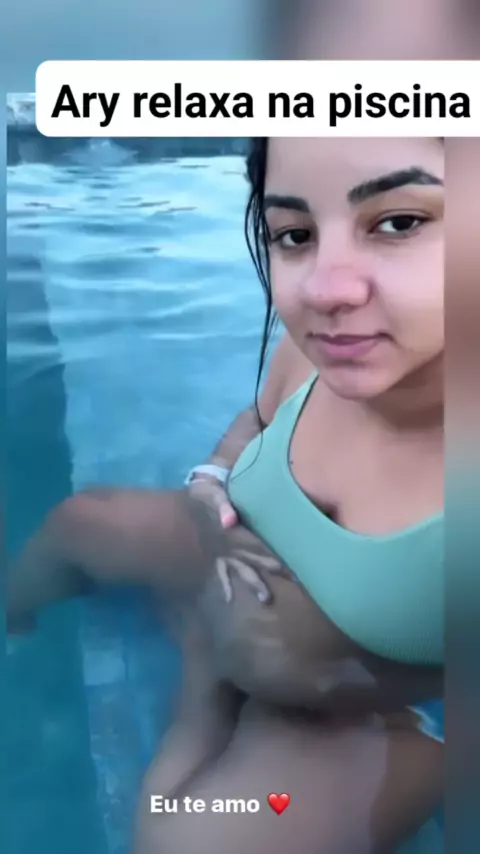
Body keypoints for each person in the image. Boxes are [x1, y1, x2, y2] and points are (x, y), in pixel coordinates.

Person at [7, 136, 444, 854]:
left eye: (399, 222)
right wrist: (212, 480)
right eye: (295, 234)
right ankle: (15, 635)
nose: (325, 288)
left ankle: (420, 758)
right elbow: (257, 421)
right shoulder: (329, 349)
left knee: (180, 844)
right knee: (78, 523)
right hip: (222, 563)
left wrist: (299, 673)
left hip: (332, 706)